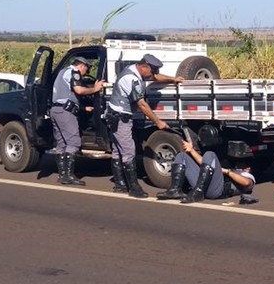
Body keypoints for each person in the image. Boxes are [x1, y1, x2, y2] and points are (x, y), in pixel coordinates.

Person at [106, 53, 183, 198]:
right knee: (128, 151)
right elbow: (142, 104)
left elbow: (155, 77)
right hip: (120, 118)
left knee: (118, 151)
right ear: (144, 67)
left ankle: (120, 184)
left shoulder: (134, 70)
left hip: (118, 116)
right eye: (151, 70)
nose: (152, 75)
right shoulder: (131, 78)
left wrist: (173, 79)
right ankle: (134, 188)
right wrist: (158, 121)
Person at [50, 56, 104, 185]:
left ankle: (62, 174)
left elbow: (66, 94)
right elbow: (79, 90)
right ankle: (68, 175)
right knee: (74, 142)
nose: (85, 74)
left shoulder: (62, 72)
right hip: (65, 112)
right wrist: (95, 89)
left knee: (62, 143)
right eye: (86, 70)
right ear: (82, 66)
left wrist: (83, 107)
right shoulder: (74, 72)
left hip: (56, 110)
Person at [156, 139, 256, 203]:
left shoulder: (248, 176)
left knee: (210, 154)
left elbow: (246, 183)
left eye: (244, 164)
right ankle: (175, 190)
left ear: (248, 169)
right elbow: (203, 162)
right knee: (183, 156)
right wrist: (191, 150)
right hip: (204, 185)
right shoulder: (235, 170)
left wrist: (227, 172)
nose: (240, 165)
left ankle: (198, 192)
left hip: (217, 191)